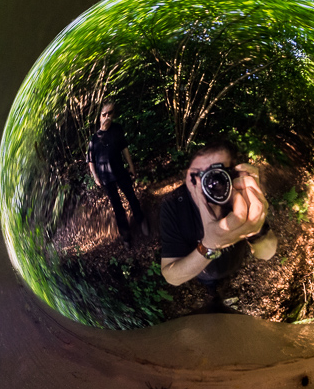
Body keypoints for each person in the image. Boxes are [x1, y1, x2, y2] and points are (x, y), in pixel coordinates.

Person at [159, 139, 278, 308]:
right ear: (186, 176)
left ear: (233, 175)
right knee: (211, 286)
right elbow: (172, 276)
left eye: (217, 176)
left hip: (233, 265)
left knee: (228, 280)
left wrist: (254, 226)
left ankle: (224, 292)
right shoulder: (173, 205)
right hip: (203, 273)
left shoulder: (239, 198)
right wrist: (210, 245)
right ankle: (213, 294)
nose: (206, 184)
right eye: (197, 175)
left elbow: (267, 253)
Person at [86, 101, 146, 243]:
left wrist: (131, 166)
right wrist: (95, 176)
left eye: (110, 113)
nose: (107, 116)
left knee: (131, 197)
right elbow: (90, 160)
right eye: (104, 114)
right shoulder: (94, 139)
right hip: (106, 178)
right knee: (117, 206)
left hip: (120, 171)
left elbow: (124, 148)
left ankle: (141, 220)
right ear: (99, 116)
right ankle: (125, 235)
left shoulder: (117, 129)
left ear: (114, 114)